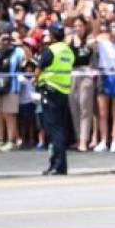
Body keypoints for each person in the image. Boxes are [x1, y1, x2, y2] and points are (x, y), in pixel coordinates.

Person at [36, 22, 73, 175]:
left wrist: (35, 80)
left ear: (51, 35)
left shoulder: (50, 50)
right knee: (59, 129)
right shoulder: (68, 51)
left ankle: (58, 165)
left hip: (50, 92)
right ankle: (57, 164)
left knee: (54, 130)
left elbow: (39, 69)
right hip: (63, 92)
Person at [0, 25, 26, 151]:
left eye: (8, 39)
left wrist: (21, 44)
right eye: (4, 38)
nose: (6, 41)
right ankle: (0, 140)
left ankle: (11, 141)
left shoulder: (16, 51)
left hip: (11, 87)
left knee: (9, 114)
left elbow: (28, 57)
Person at [94, 25, 115, 153]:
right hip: (104, 75)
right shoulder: (103, 42)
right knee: (103, 113)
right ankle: (103, 140)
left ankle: (114, 141)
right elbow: (94, 37)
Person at [68, 16, 95, 152]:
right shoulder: (70, 40)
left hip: (85, 73)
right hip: (72, 74)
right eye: (76, 26)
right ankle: (78, 138)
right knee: (74, 108)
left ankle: (84, 140)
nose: (78, 28)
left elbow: (93, 47)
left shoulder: (89, 40)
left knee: (85, 107)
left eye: (80, 25)